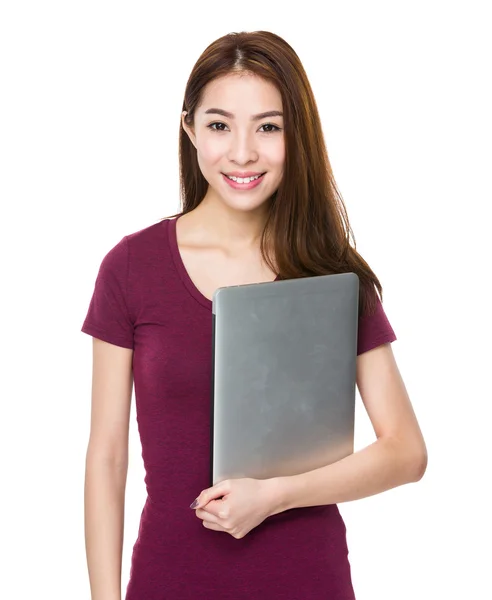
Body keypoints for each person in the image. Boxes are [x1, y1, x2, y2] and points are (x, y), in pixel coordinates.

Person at [81, 30, 427, 600]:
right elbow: (107, 455)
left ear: (298, 136)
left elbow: (406, 452)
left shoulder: (331, 275)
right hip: (172, 580)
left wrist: (275, 495)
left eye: (269, 127)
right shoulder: (130, 268)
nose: (243, 152)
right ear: (190, 128)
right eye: (220, 125)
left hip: (306, 580)